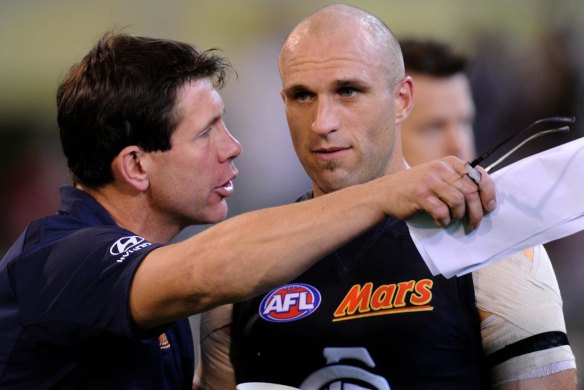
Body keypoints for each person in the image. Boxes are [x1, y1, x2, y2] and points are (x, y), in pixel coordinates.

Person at [0, 32, 496, 389]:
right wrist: (386, 193)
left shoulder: (149, 282)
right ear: (135, 166)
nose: (233, 147)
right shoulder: (63, 261)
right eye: (206, 132)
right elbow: (206, 270)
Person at [197, 5, 577, 389]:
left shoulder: (493, 246)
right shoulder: (242, 268)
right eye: (302, 96)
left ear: (401, 99)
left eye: (348, 91)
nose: (322, 123)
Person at [400, 38, 577, 388]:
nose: (459, 145)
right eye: (434, 126)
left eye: (464, 122)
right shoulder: (316, 237)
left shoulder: (501, 248)